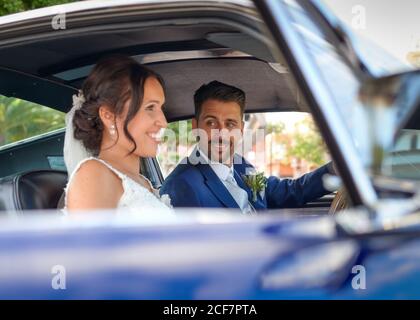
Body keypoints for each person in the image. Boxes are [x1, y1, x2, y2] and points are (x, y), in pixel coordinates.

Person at [160, 80, 335, 213]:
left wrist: (336, 170)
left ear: (241, 129)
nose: (221, 133)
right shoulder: (181, 186)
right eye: (211, 123)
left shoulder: (241, 166)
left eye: (230, 124)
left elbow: (288, 192)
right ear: (195, 126)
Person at [63, 55, 172, 214]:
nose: (163, 122)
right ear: (108, 115)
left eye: (161, 108)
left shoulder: (143, 182)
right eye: (150, 108)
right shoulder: (94, 175)